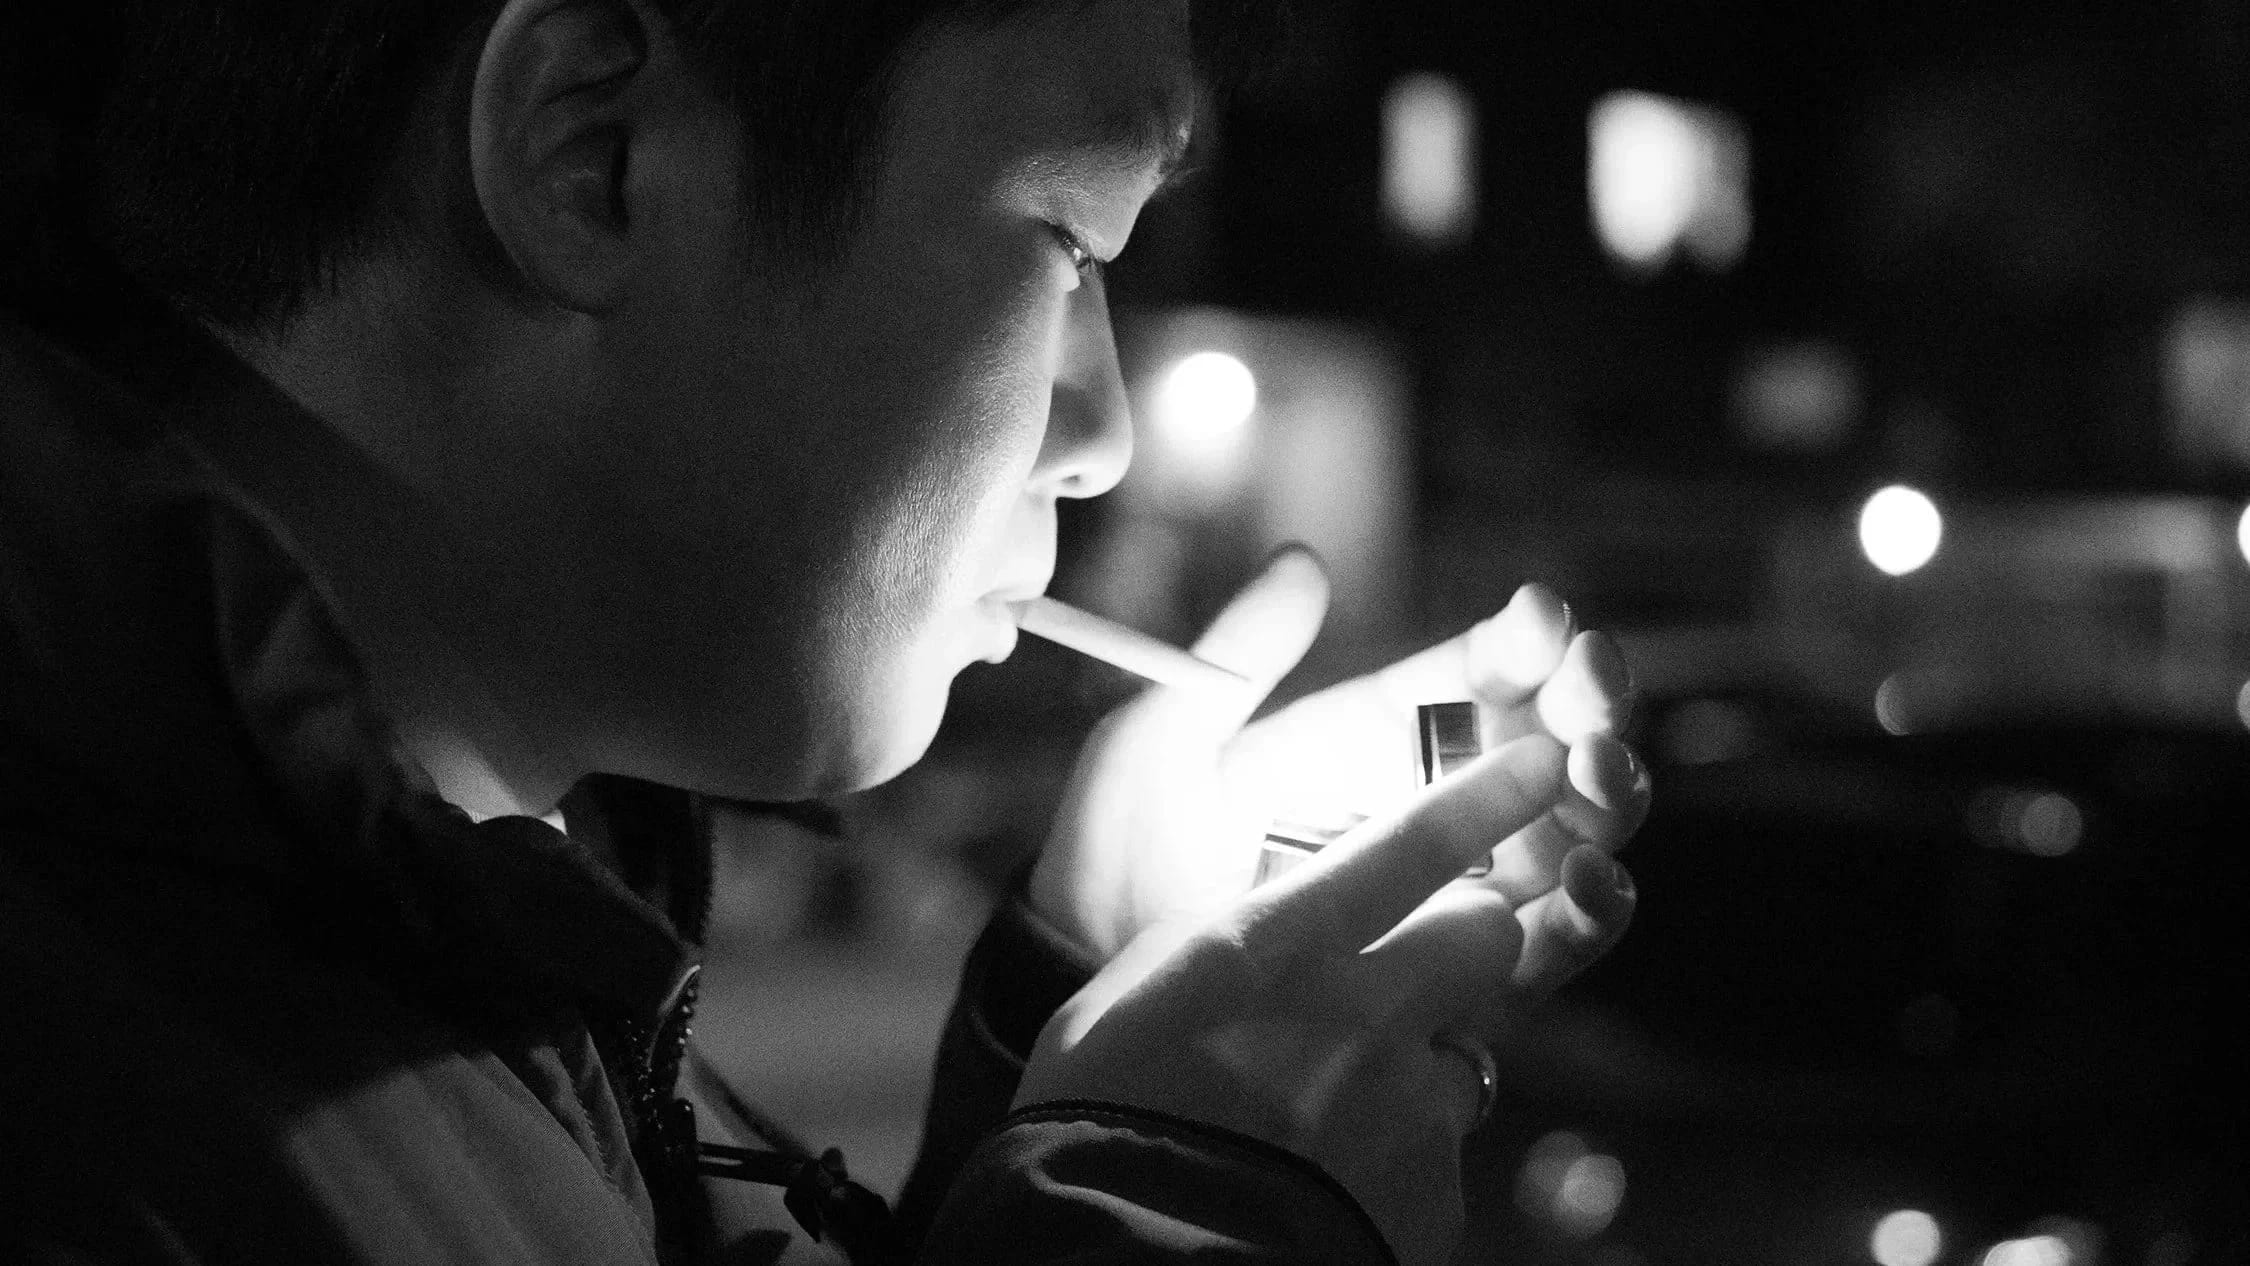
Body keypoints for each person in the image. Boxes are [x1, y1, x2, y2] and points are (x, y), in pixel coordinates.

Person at [0, 1, 1650, 1262]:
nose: (1105, 433)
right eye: (1070, 239)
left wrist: (1078, 1005)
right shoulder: (138, 1111)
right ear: (598, 159)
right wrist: (1179, 1210)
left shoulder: (465, 943)